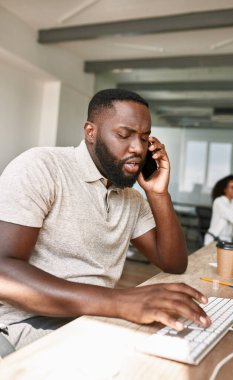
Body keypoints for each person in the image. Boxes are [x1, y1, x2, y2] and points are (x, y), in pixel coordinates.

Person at [0, 89, 211, 354]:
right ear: (90, 132)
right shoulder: (42, 167)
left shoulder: (131, 199)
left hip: (92, 320)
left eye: (145, 139)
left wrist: (158, 194)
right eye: (124, 135)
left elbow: (173, 262)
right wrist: (119, 301)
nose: (138, 148)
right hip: (24, 328)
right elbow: (3, 272)